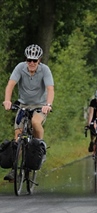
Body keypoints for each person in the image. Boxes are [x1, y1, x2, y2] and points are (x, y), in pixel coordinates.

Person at [2, 44, 54, 181]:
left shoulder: (45, 70)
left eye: (34, 61)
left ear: (39, 60)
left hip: (40, 105)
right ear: (26, 59)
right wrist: (7, 101)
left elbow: (50, 89)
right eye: (29, 60)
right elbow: (10, 85)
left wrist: (48, 105)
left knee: (35, 122)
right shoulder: (20, 67)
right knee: (18, 136)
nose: (31, 63)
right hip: (23, 104)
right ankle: (14, 170)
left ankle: (40, 149)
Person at [86, 88, 97, 153]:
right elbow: (91, 113)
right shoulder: (93, 102)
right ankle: (92, 141)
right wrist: (89, 124)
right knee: (92, 128)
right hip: (94, 117)